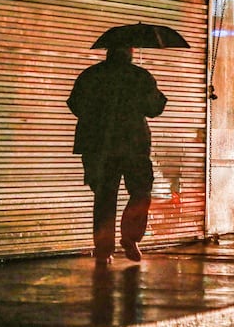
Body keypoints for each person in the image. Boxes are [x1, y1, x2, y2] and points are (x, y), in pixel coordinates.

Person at [67, 47, 167, 264]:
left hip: (98, 145)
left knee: (104, 197)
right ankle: (130, 238)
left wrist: (98, 117)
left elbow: (74, 104)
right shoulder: (139, 76)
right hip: (134, 145)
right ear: (129, 52)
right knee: (141, 192)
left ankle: (104, 250)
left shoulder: (91, 76)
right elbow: (154, 108)